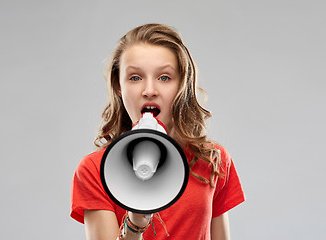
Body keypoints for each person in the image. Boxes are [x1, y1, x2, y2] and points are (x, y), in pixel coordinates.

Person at [71, 23, 245, 240]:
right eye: (135, 77)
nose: (149, 91)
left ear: (182, 83)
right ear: (118, 85)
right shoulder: (94, 170)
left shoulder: (212, 159)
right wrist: (136, 221)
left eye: (164, 77)